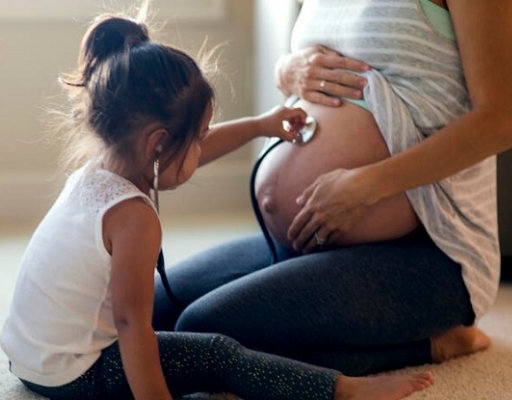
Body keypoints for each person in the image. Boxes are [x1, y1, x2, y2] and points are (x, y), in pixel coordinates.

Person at [0, 11, 436, 400]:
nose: (201, 148)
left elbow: (186, 153)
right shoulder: (133, 219)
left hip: (30, 359)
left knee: (168, 322)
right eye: (199, 135)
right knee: (216, 354)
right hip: (75, 375)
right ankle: (341, 389)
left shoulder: (99, 171)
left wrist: (262, 126)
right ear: (159, 145)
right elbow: (131, 326)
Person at [153, 0, 512, 376]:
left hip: (430, 250)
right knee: (149, 314)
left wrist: (368, 185)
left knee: (199, 331)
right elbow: (321, 64)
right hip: (301, 239)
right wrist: (286, 71)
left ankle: (433, 343)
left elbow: (501, 119)